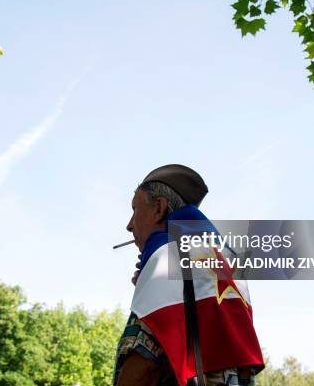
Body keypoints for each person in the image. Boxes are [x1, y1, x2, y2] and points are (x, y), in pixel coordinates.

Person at [113, 164, 264, 386]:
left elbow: (143, 364)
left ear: (159, 209)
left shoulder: (166, 267)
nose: (129, 225)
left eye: (135, 209)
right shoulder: (223, 267)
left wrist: (154, 283)